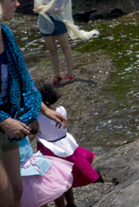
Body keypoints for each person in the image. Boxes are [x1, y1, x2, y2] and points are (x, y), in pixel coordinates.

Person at [0, 0, 66, 207]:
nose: (18, 4)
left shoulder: (5, 34)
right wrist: (3, 120)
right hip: (3, 123)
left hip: (8, 126)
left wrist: (45, 110)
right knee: (4, 193)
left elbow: (24, 79)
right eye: (13, 0)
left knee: (17, 190)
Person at [13, 0, 97, 85]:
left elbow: (59, 9)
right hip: (44, 21)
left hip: (58, 21)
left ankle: (70, 74)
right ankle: (57, 75)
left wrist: (43, 8)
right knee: (52, 50)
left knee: (65, 47)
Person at [33, 79, 100, 207]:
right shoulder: (61, 110)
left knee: (55, 184)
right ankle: (71, 203)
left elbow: (34, 133)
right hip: (66, 146)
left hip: (49, 151)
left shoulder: (36, 118)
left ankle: (61, 206)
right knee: (67, 179)